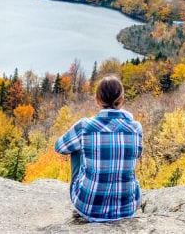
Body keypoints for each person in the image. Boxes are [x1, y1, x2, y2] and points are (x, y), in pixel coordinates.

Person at [54, 75, 143, 222]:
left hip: (88, 207)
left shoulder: (85, 126)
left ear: (97, 99)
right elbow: (137, 154)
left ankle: (89, 192)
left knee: (75, 147)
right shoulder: (136, 128)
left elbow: (60, 147)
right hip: (127, 208)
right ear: (121, 100)